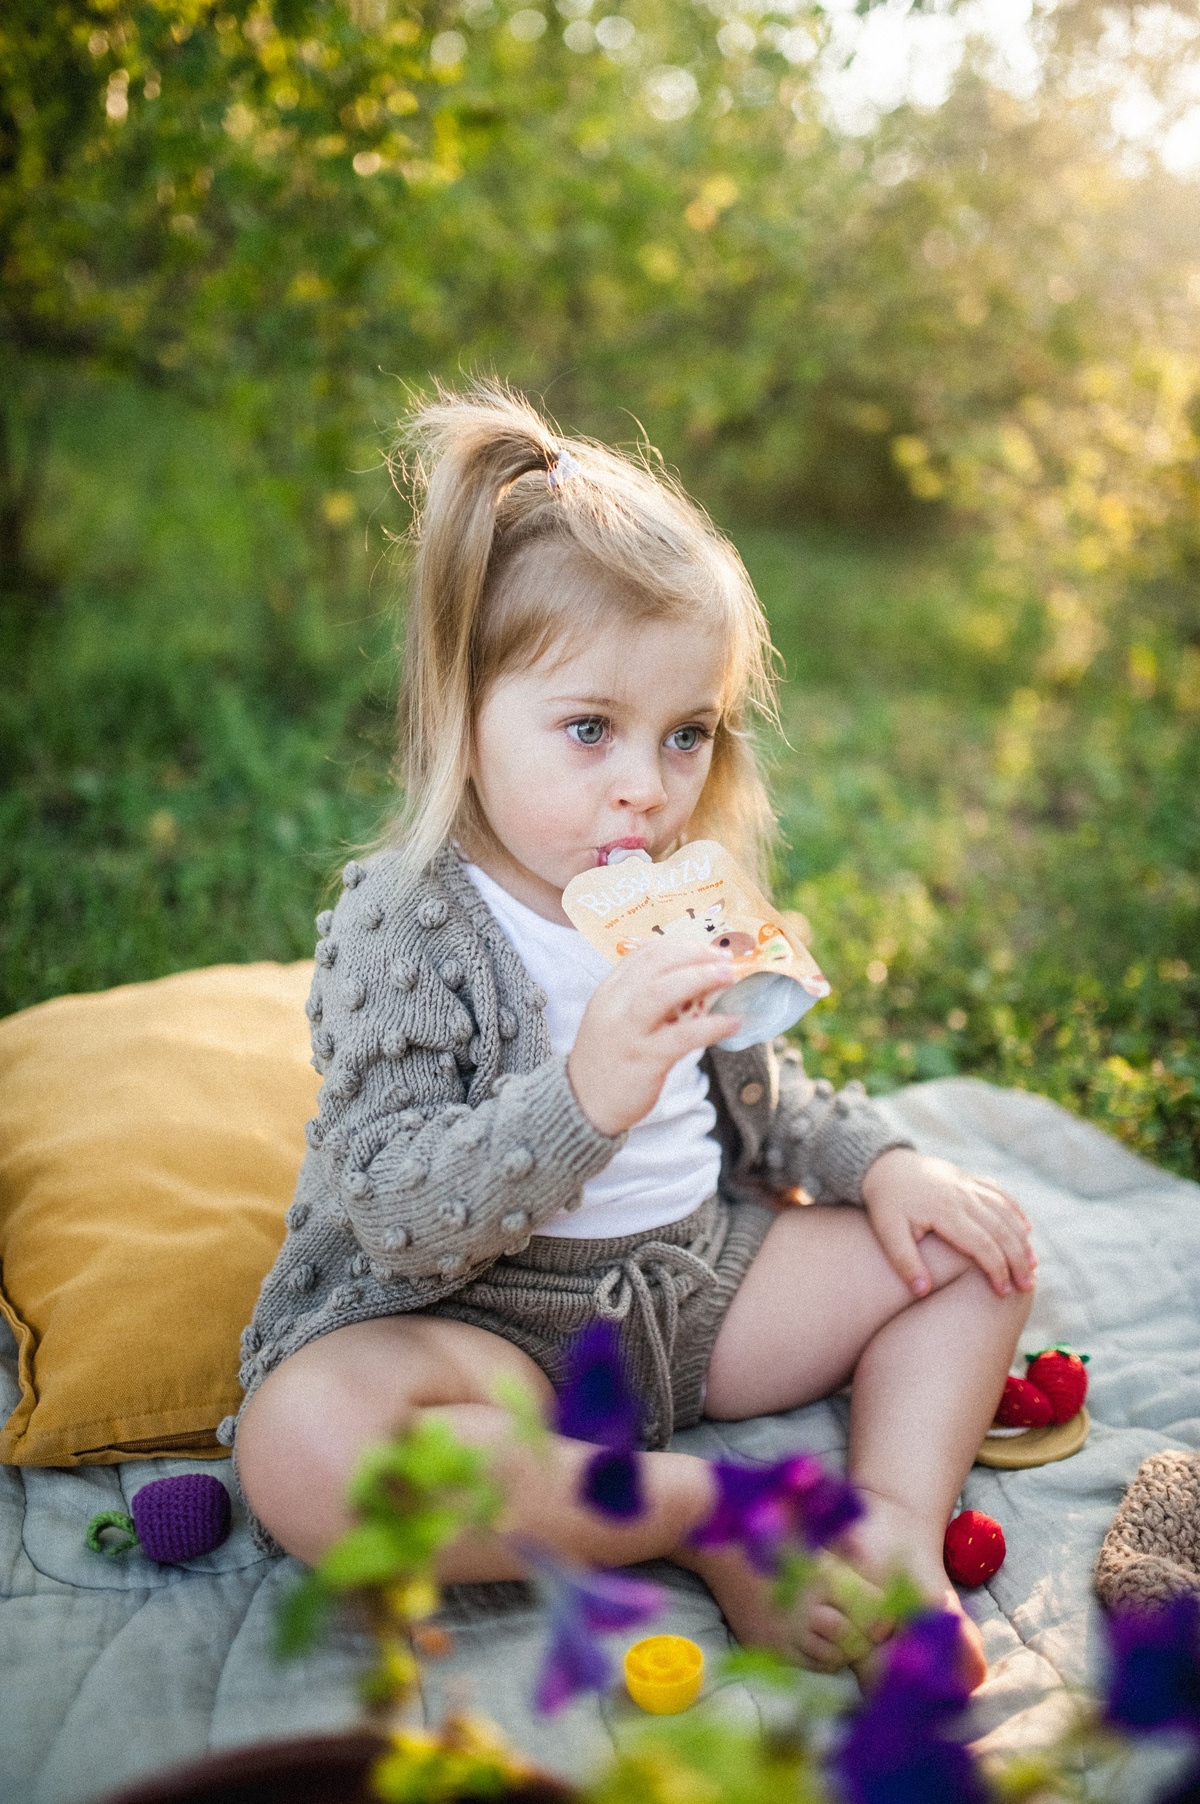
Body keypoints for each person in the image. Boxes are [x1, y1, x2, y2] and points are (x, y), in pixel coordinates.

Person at [229, 384, 1036, 1686]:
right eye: (591, 729)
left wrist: (885, 1170)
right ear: (463, 710)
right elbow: (391, 1206)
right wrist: (587, 1090)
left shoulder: (687, 888)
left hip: (695, 1290)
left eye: (688, 736)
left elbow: (772, 1110)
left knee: (974, 1246)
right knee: (308, 1449)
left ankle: (893, 1522)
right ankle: (704, 1515)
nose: (645, 789)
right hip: (482, 1329)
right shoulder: (408, 922)